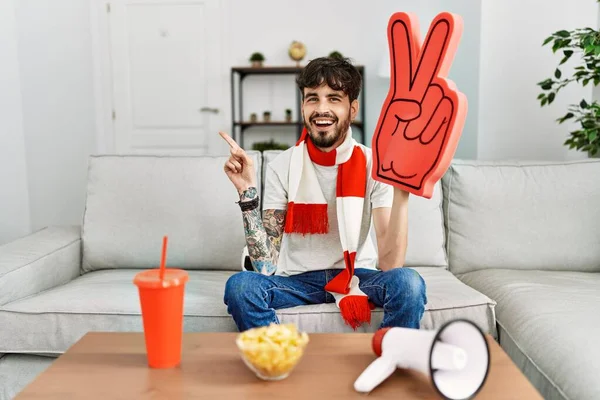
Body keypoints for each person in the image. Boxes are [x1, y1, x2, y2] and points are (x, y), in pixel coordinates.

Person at [220, 57, 426, 332]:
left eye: (334, 98)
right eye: (312, 99)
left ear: (352, 109)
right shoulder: (283, 165)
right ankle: (280, 355)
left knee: (409, 283)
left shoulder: (373, 165)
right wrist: (247, 192)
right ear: (303, 106)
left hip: (357, 275)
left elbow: (390, 264)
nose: (322, 109)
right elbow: (266, 268)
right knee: (241, 286)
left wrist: (402, 192)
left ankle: (391, 355)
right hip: (297, 279)